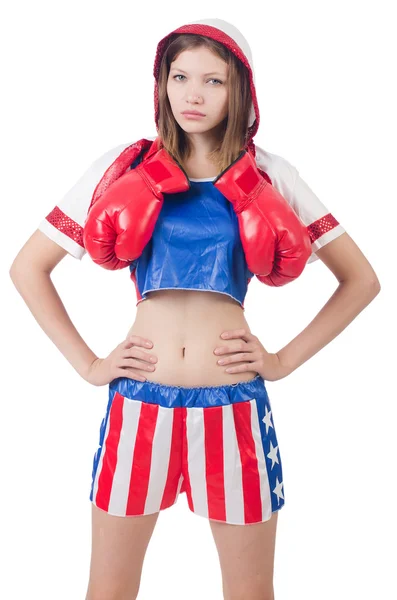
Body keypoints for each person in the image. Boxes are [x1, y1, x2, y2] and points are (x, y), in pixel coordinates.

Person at [9, 17, 380, 600]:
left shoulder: (271, 175)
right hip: (138, 405)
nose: (193, 94)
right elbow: (27, 267)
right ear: (162, 84)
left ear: (241, 90)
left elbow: (361, 280)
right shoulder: (124, 167)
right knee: (107, 591)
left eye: (214, 80)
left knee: (250, 594)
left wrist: (281, 361)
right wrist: (88, 365)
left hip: (233, 406)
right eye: (179, 77)